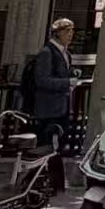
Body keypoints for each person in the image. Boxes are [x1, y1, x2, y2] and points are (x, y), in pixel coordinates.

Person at [31, 19, 76, 193]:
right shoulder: (47, 52)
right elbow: (42, 80)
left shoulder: (66, 54)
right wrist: (67, 82)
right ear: (57, 33)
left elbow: (60, 73)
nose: (70, 35)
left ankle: (55, 184)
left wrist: (72, 74)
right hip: (48, 109)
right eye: (67, 31)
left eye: (71, 31)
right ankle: (43, 182)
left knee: (57, 146)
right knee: (47, 146)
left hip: (62, 107)